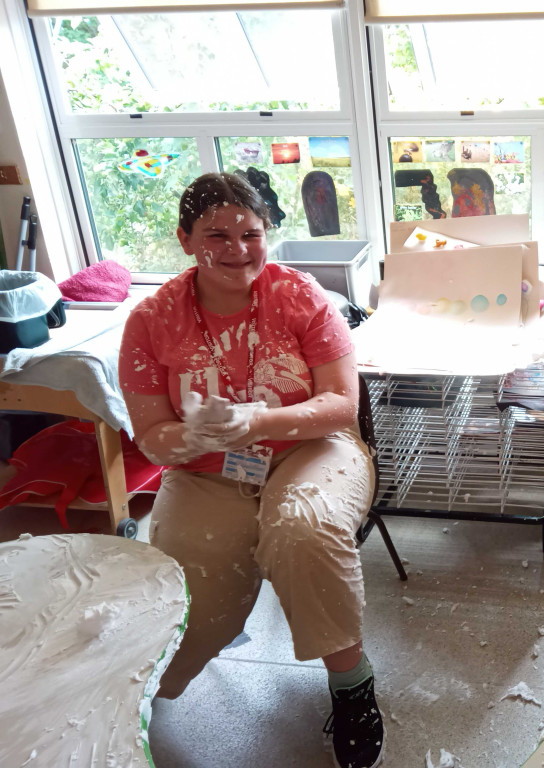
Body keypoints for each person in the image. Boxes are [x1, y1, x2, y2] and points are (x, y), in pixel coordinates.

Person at [117, 173, 384, 768]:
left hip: (312, 447)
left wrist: (259, 421)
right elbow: (152, 437)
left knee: (303, 528)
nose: (238, 249)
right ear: (186, 239)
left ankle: (352, 685)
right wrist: (196, 434)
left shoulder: (301, 296)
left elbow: (341, 404)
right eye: (217, 235)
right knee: (191, 578)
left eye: (251, 233)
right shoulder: (151, 320)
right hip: (205, 468)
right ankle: (148, 683)